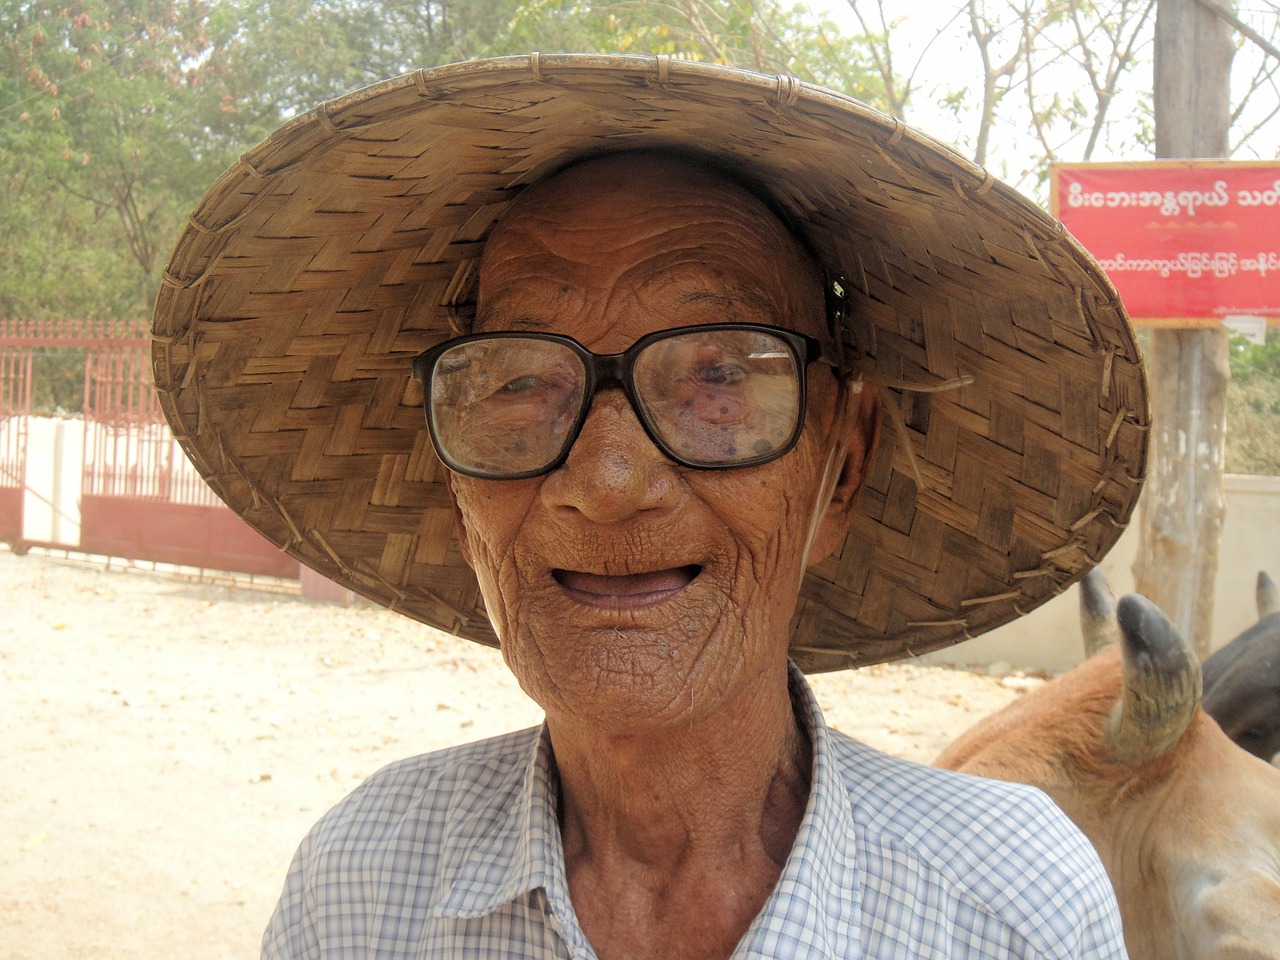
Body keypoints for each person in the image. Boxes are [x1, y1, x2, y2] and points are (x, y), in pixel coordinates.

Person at [151, 54, 1149, 958]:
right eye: (517, 383)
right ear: (459, 494)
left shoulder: (1009, 907)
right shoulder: (361, 891)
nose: (607, 480)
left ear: (840, 467)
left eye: (717, 373)